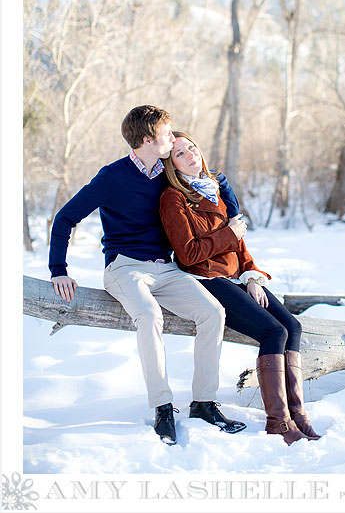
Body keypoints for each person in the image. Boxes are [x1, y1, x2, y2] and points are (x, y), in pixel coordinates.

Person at [49, 105, 246, 446]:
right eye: (167, 134)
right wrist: (58, 270)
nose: (173, 138)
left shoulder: (167, 173)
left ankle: (203, 402)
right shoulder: (112, 177)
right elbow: (66, 218)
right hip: (124, 266)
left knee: (212, 312)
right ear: (146, 140)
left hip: (166, 269)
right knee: (149, 315)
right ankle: (162, 407)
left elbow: (212, 181)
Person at [159, 131, 321, 444]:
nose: (191, 155)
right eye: (180, 154)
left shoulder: (214, 188)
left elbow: (239, 243)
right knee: (273, 332)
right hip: (207, 279)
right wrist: (230, 235)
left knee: (292, 325)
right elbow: (188, 253)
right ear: (172, 165)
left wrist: (252, 276)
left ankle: (298, 413)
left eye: (192, 147)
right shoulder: (173, 197)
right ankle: (279, 421)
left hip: (236, 276)